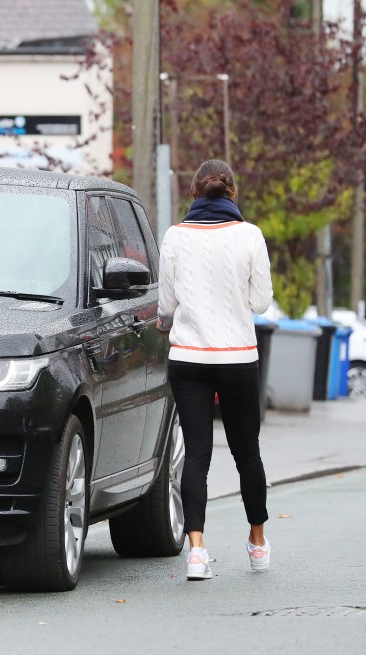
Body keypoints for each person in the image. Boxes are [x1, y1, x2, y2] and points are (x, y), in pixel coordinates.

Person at [157, 159, 273, 581]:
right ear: (233, 191)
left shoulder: (174, 237)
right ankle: (257, 543)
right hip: (238, 357)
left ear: (194, 193)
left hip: (188, 358)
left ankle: (197, 551)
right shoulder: (250, 236)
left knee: (197, 456)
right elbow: (261, 301)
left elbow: (166, 305)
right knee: (247, 453)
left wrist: (171, 315)